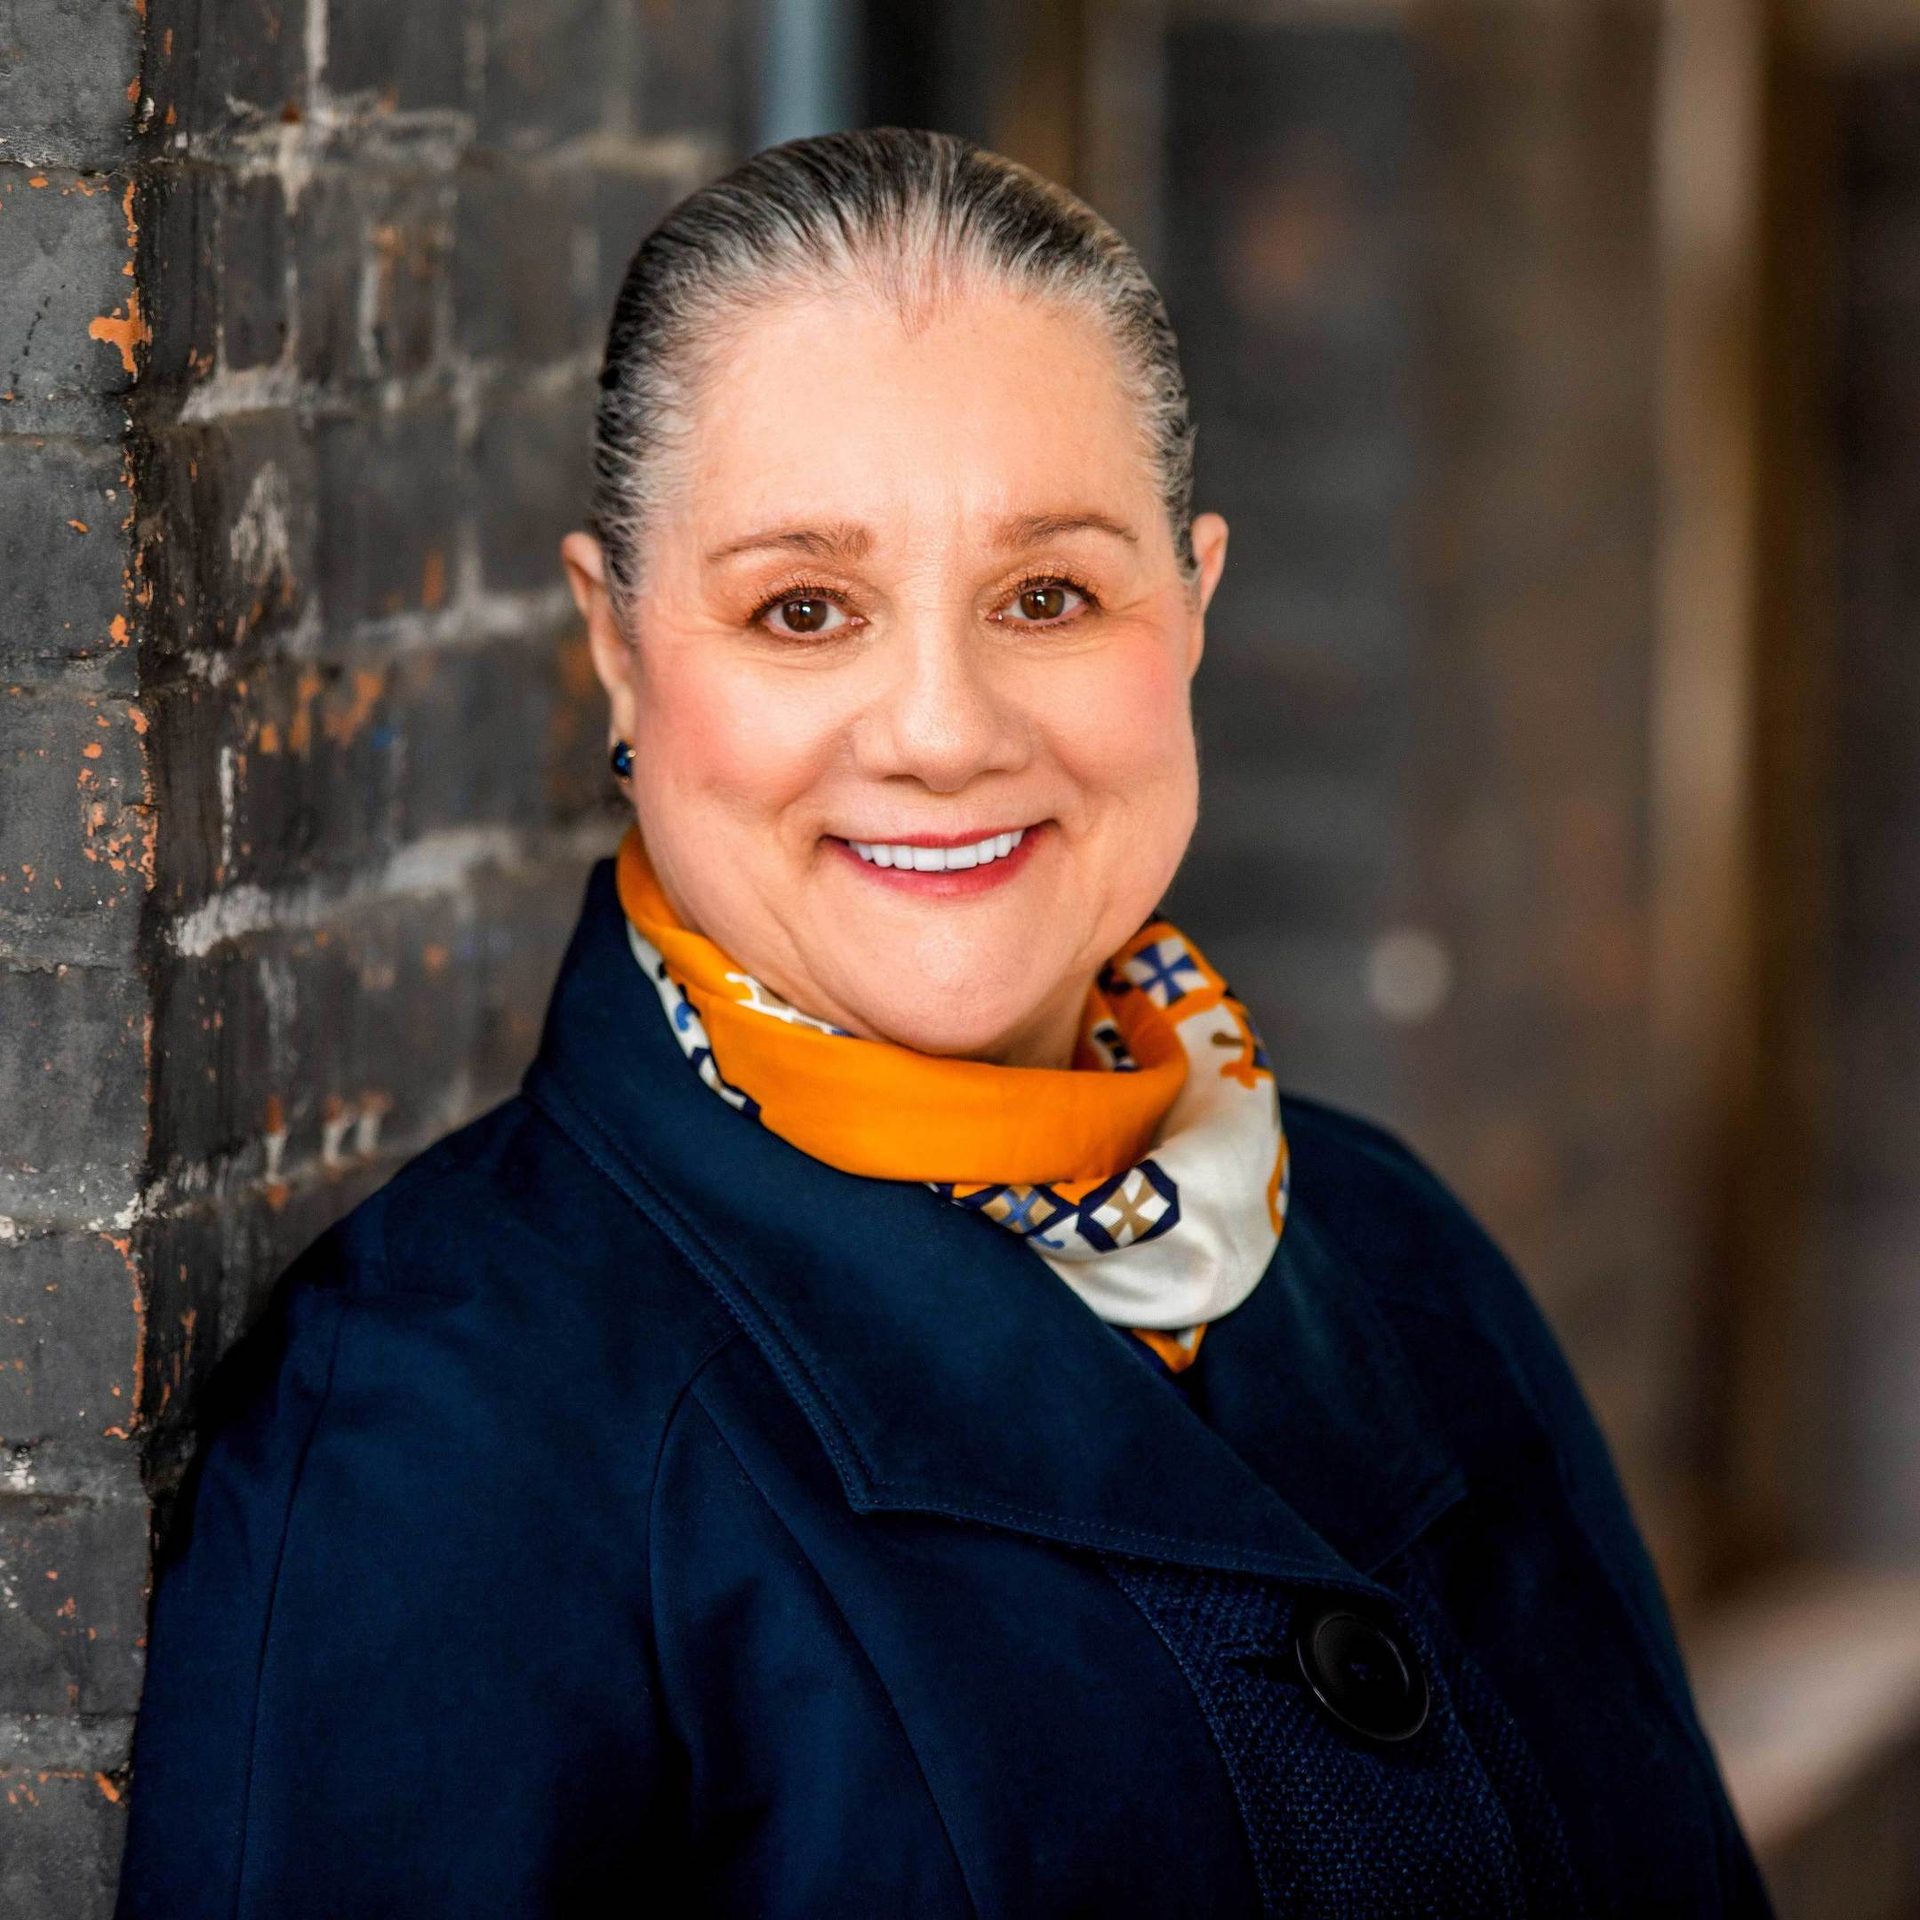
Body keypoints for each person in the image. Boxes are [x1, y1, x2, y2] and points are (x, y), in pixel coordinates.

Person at [114, 128, 1772, 1918]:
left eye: (1048, 596)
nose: (942, 726)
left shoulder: (1402, 1260)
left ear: (1195, 606)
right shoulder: (447, 1428)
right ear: (617, 644)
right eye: (803, 609)